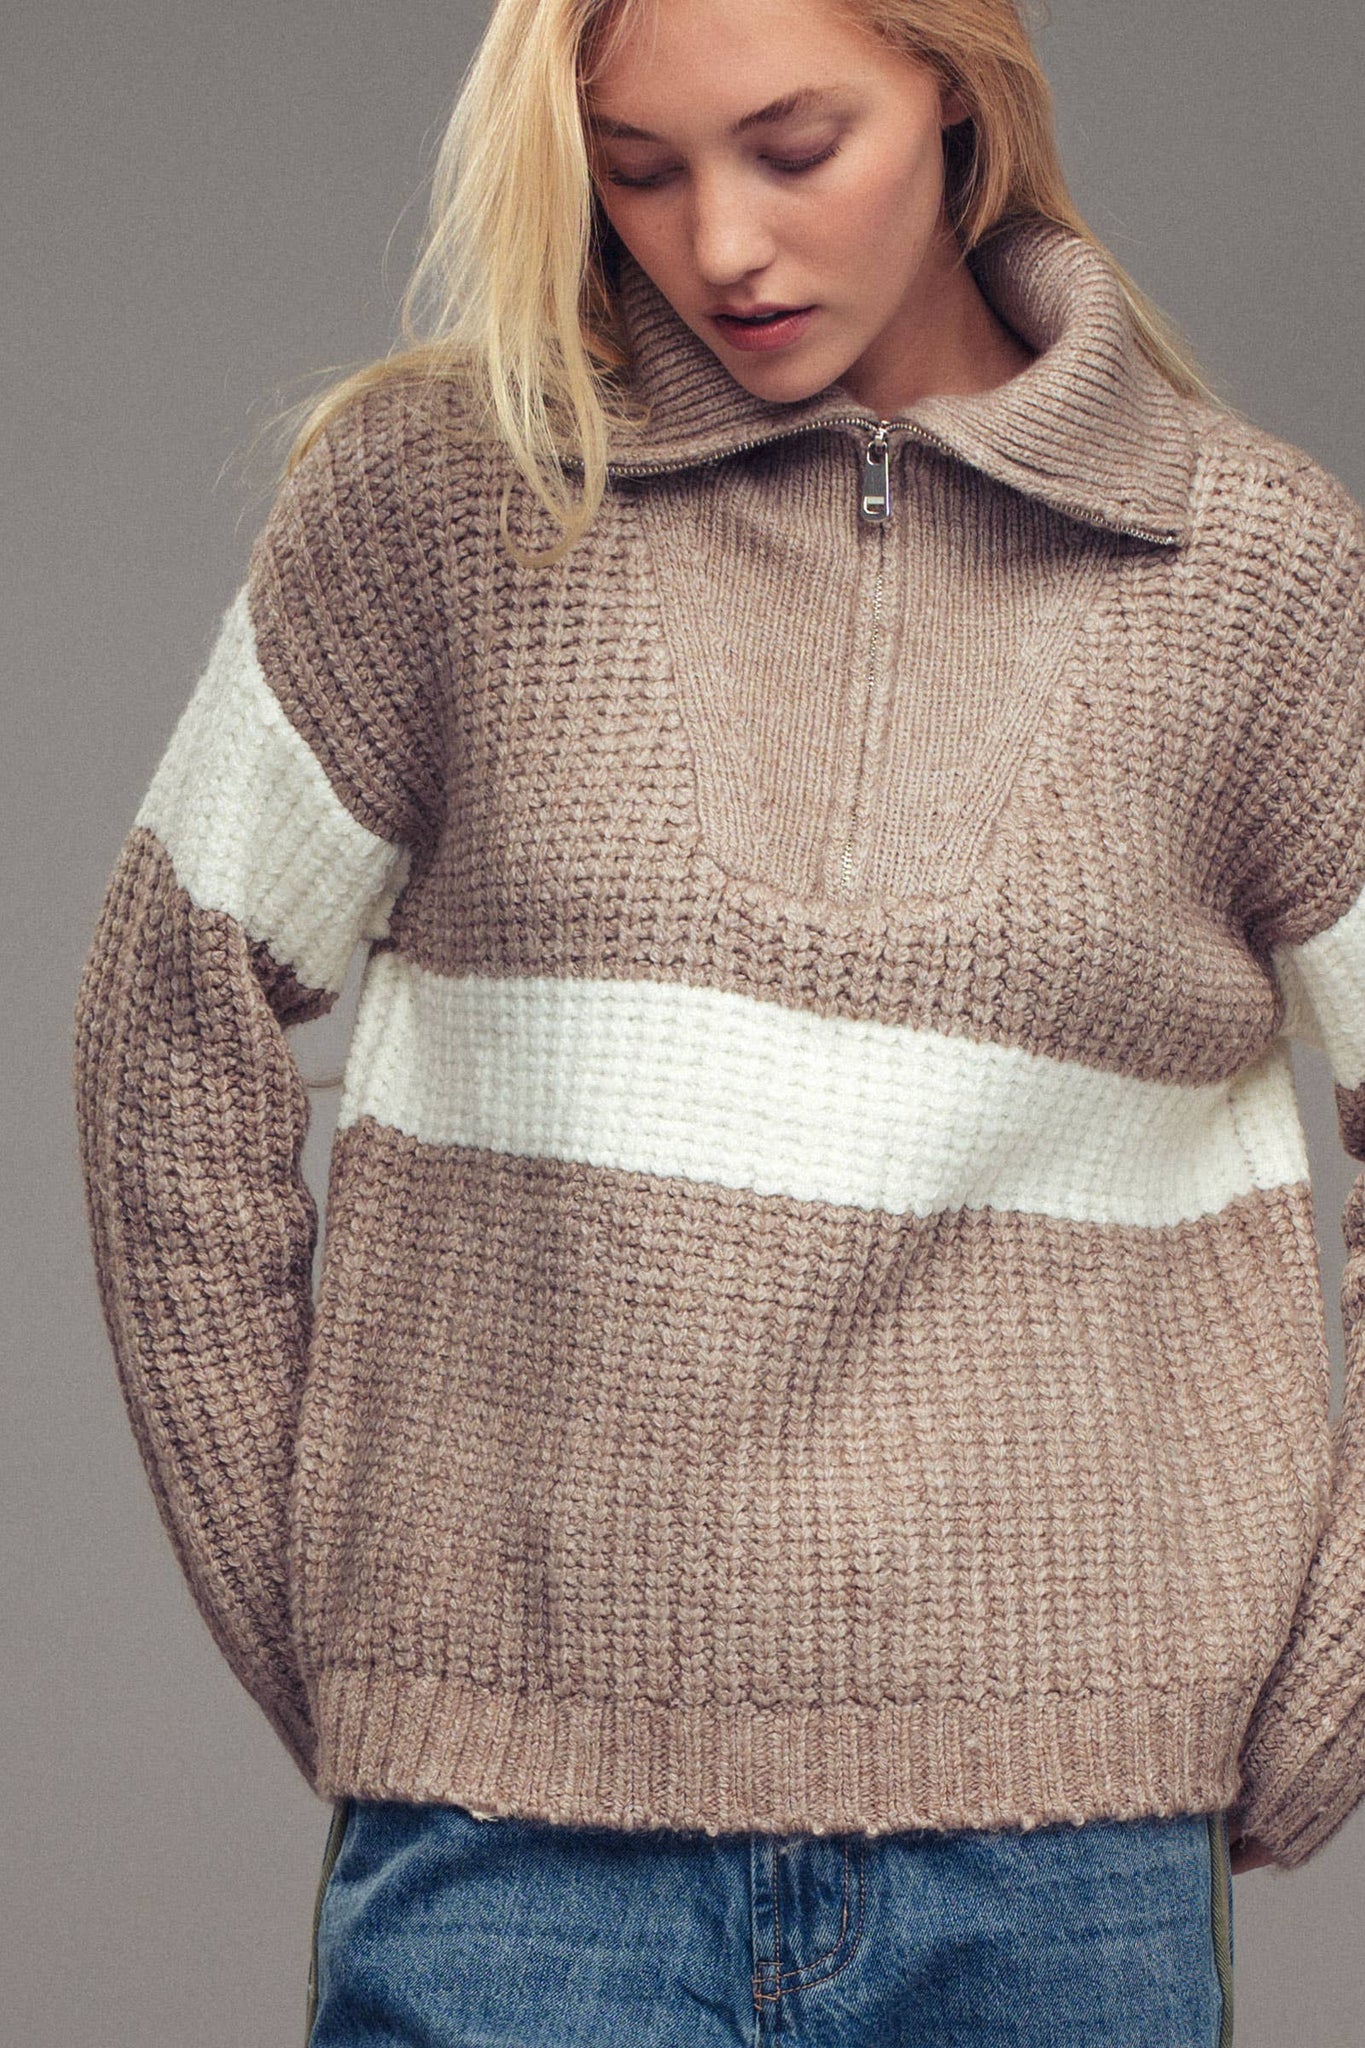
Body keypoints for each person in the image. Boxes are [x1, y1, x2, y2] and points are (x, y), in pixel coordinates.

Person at [70, 0, 1365, 2039]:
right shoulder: (447, 506)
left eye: (792, 146)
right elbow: (168, 1026)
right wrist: (332, 1609)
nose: (722, 246)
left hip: (1065, 1861)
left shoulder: (1252, 573)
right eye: (640, 172)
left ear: (953, 88)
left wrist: (1332, 1677)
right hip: (513, 1851)